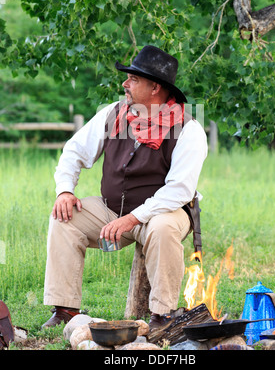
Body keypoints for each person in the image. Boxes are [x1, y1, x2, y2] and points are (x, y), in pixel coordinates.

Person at [42, 45, 208, 329]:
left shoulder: (189, 129)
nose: (124, 84)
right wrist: (65, 191)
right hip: (111, 209)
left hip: (163, 213)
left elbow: (179, 189)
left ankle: (163, 315)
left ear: (155, 87)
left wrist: (133, 218)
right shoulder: (112, 114)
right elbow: (74, 151)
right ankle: (66, 310)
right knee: (64, 216)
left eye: (133, 79)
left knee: (163, 228)